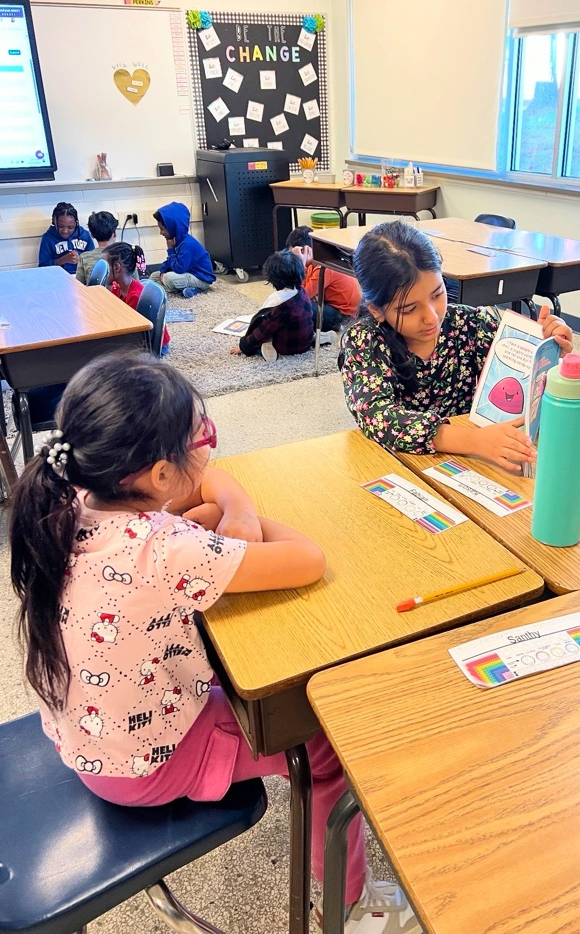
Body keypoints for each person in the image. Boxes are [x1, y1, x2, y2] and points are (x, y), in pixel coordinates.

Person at [9, 354, 420, 934]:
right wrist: (244, 512)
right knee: (325, 745)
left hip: (84, 731)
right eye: (199, 439)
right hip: (139, 766)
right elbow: (307, 560)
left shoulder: (71, 499)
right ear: (155, 475)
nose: (206, 449)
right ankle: (352, 908)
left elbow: (201, 489)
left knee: (204, 521)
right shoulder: (165, 551)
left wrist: (217, 505)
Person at [338, 220, 573, 472]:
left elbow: (524, 381)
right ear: (377, 310)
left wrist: (550, 349)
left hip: (472, 465)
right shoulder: (366, 341)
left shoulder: (468, 323)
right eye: (409, 309)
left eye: (438, 294)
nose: (431, 317)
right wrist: (473, 440)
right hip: (402, 465)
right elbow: (378, 416)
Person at [230, 249, 315, 363]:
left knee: (265, 334)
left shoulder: (279, 305)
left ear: (272, 279)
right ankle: (317, 337)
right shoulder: (301, 291)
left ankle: (267, 348)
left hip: (286, 347)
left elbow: (263, 330)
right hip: (306, 341)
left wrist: (244, 346)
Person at [287, 224, 362, 333]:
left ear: (306, 250)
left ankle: (315, 337)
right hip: (331, 306)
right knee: (291, 304)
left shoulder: (324, 267)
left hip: (344, 317)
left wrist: (300, 265)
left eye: (295, 256)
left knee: (296, 307)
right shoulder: (313, 263)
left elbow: (302, 295)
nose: (294, 259)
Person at [104, 242, 171, 356]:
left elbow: (134, 338)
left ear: (116, 268)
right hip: (136, 337)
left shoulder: (136, 297)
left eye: (105, 266)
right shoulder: (118, 287)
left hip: (151, 346)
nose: (103, 271)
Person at [154, 202, 215, 298]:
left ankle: (196, 288)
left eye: (162, 229)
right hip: (187, 273)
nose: (161, 233)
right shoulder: (177, 240)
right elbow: (170, 262)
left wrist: (171, 250)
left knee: (168, 278)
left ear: (173, 226)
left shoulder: (187, 244)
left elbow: (179, 268)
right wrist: (162, 272)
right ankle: (182, 288)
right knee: (154, 276)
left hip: (201, 278)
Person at [38, 201, 95, 273]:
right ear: (54, 221)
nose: (65, 231)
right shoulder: (48, 238)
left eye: (70, 227)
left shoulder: (85, 235)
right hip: (58, 277)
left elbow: (93, 260)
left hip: (82, 277)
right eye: (60, 226)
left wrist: (80, 259)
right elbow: (42, 266)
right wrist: (61, 260)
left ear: (76, 223)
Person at [76, 211, 119, 285]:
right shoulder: (126, 254)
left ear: (92, 235)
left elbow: (79, 287)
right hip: (120, 296)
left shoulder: (84, 257)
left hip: (95, 296)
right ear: (115, 233)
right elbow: (137, 287)